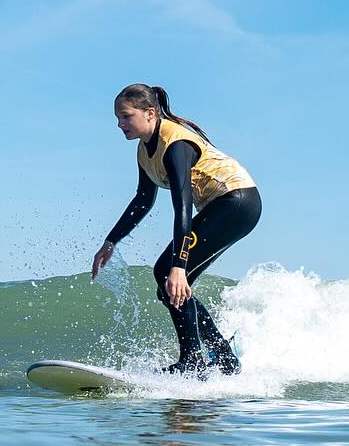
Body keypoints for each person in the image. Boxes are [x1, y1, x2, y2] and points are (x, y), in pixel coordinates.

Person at [91, 84, 262, 375]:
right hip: (224, 207)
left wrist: (179, 266)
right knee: (169, 289)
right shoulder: (144, 151)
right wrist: (111, 241)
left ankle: (193, 361)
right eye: (118, 118)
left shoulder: (175, 145)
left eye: (125, 116)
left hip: (236, 202)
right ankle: (223, 356)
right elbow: (143, 200)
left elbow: (181, 208)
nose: (120, 124)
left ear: (149, 113)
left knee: (168, 274)